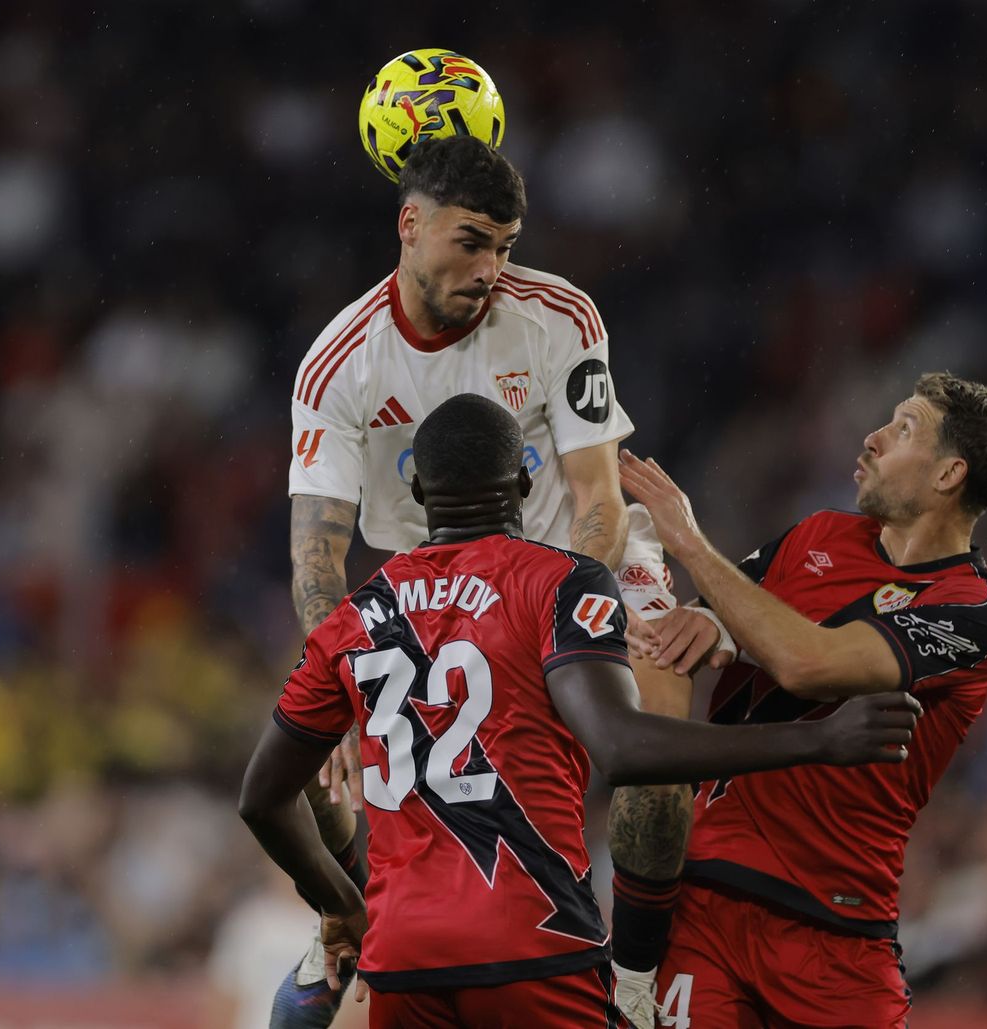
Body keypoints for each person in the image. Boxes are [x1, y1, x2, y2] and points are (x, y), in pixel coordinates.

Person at [240, 393, 924, 1029]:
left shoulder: (353, 616)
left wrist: (341, 901)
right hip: (532, 938)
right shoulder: (557, 580)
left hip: (403, 961)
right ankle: (631, 973)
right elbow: (623, 748)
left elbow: (262, 797)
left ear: (417, 492)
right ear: (526, 484)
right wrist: (817, 738)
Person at [283, 135, 692, 1026]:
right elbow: (318, 554)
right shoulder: (338, 364)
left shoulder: (559, 315)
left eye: (505, 245)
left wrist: (570, 616)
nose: (492, 267)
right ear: (410, 223)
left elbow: (596, 493)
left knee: (658, 756)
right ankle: (352, 919)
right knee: (321, 758)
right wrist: (344, 696)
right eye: (472, 242)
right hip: (439, 579)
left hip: (585, 559)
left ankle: (629, 978)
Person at [617, 372, 987, 1028]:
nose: (872, 438)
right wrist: (703, 621)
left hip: (838, 933)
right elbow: (715, 617)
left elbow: (810, 663)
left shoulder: (973, 609)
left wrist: (689, 544)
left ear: (949, 475)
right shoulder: (816, 535)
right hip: (707, 907)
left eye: (903, 428)